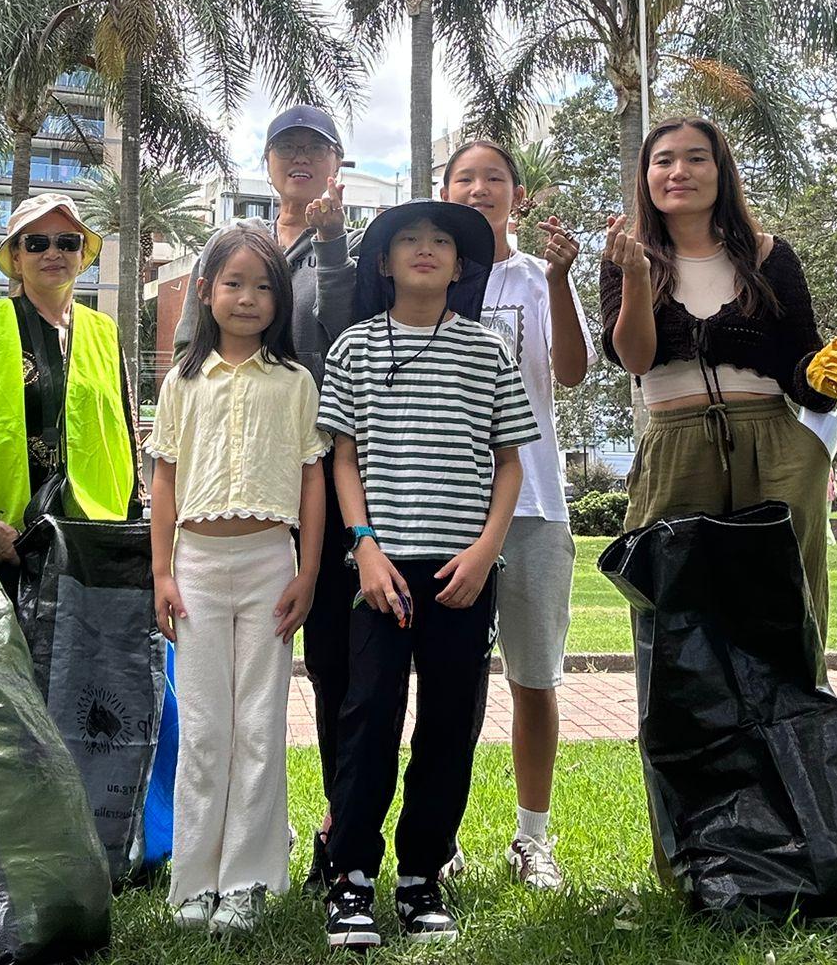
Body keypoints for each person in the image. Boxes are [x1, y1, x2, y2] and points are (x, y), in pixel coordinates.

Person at [317, 202, 538, 949]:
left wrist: (484, 552)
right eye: (407, 241)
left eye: (440, 242)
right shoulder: (353, 348)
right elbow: (342, 456)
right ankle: (351, 878)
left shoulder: (487, 350)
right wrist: (366, 547)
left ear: (460, 263)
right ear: (382, 263)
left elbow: (509, 462)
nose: (424, 250)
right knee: (368, 719)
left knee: (449, 723)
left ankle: (421, 876)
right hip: (380, 570)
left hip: (463, 572)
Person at [173, 103, 355, 888]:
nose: (301, 159)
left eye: (315, 147)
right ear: (270, 162)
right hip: (219, 516)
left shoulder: (349, 241)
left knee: (337, 675)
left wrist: (339, 240)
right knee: (220, 711)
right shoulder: (232, 246)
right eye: (288, 148)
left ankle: (337, 834)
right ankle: (231, 851)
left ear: (336, 159)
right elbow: (187, 362)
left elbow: (352, 328)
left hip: (316, 484)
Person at [601, 116, 837, 638]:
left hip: (774, 445)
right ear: (645, 176)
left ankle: (791, 721)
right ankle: (679, 725)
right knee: (674, 619)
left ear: (722, 172)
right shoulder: (625, 257)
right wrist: (636, 276)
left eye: (696, 158)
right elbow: (634, 359)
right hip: (674, 447)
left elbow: (802, 371)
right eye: (663, 160)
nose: (679, 171)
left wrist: (826, 375)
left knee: (785, 614)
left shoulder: (771, 256)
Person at [151, 225, 327, 934]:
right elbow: (163, 478)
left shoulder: (294, 383)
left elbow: (313, 481)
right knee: (204, 729)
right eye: (233, 283)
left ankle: (246, 881)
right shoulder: (181, 381)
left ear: (279, 301)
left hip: (268, 566)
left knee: (258, 724)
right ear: (205, 292)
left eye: (263, 286)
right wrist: (161, 572)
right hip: (194, 565)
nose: (247, 298)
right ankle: (195, 879)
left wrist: (308, 570)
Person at [441, 139, 591, 891]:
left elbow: (569, 371)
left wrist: (562, 281)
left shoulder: (537, 279)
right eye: (463, 178)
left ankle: (533, 838)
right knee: (446, 682)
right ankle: (439, 835)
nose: (477, 189)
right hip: (443, 510)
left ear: (517, 196)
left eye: (492, 178)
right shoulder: (429, 279)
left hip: (532, 505)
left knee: (534, 678)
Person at [0, 193, 139, 583]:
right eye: (36, 243)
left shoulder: (104, 331)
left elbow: (126, 426)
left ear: (82, 254)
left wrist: (132, 515)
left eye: (67, 242)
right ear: (17, 259)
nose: (53, 252)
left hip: (94, 532)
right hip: (11, 538)